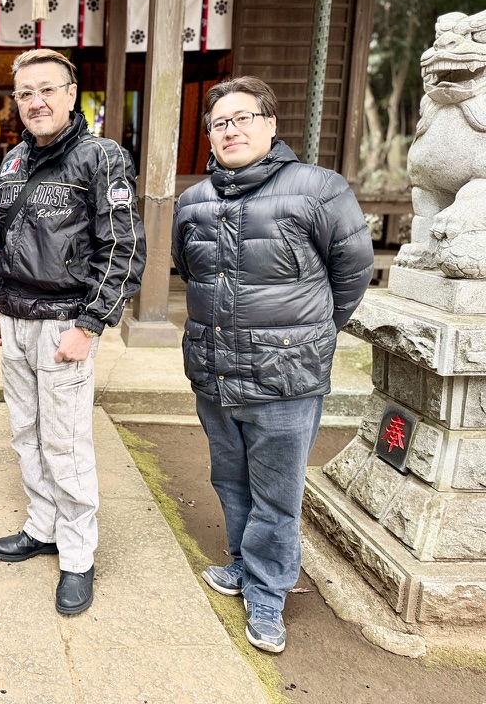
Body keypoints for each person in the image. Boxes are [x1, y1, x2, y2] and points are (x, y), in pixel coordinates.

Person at [172, 76, 374, 653]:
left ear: (270, 124)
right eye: (218, 123)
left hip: (286, 377)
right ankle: (243, 563)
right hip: (214, 371)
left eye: (241, 118)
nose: (229, 131)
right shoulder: (195, 201)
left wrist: (308, 334)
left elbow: (352, 271)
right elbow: (190, 270)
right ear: (208, 136)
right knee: (229, 478)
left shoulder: (319, 189)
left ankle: (268, 591)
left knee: (278, 492)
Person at [0, 48, 145, 616]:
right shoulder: (13, 164)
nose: (35, 102)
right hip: (16, 322)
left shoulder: (101, 159)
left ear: (72, 94)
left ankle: (77, 554)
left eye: (47, 89)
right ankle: (42, 526)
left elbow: (123, 249)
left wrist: (91, 324)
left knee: (67, 443)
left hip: (65, 326)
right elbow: (0, 242)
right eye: (25, 93)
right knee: (26, 433)